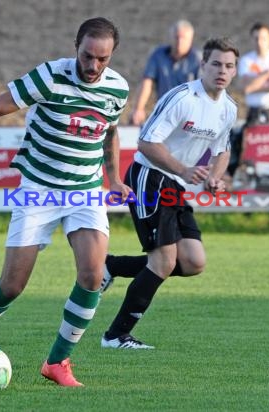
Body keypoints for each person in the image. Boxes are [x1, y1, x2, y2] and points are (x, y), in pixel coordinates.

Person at [0, 17, 131, 387]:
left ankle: (57, 362)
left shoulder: (117, 89)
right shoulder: (50, 77)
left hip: (85, 191)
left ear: (112, 56)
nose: (93, 66)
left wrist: (114, 178)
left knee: (92, 275)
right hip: (38, 188)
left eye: (102, 59)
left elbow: (111, 131)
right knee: (12, 285)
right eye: (87, 56)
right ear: (76, 47)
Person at [99, 37, 239, 349]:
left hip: (175, 185)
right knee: (163, 261)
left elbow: (222, 151)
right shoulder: (182, 98)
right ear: (202, 66)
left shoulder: (228, 108)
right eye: (216, 63)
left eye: (229, 66)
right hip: (150, 177)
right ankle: (116, 336)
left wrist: (214, 179)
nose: (222, 70)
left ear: (234, 72)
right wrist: (185, 170)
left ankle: (112, 266)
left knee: (192, 262)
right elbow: (147, 143)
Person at [228, 22, 269, 177]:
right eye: (256, 38)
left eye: (263, 38)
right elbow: (245, 87)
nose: (259, 42)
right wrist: (268, 75)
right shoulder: (247, 61)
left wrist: (256, 84)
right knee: (254, 149)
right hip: (255, 111)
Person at [129, 19, 201, 126]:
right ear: (171, 37)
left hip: (190, 115)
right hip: (164, 112)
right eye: (177, 37)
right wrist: (138, 109)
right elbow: (147, 82)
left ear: (190, 40)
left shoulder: (198, 59)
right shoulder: (158, 55)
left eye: (184, 38)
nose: (179, 42)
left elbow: (204, 90)